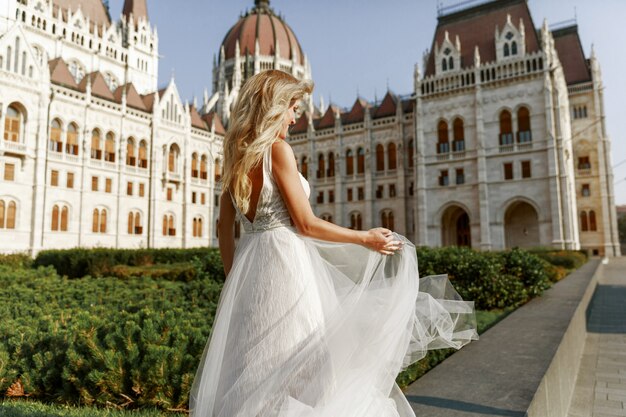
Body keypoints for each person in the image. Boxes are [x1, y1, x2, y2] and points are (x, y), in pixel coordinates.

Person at [189, 70, 477, 417]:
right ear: (275, 106)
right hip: (285, 264)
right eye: (293, 107)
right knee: (305, 362)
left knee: (252, 365)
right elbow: (306, 224)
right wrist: (365, 237)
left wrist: (234, 278)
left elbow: (223, 228)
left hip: (251, 266)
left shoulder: (236, 155)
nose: (296, 117)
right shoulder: (278, 150)